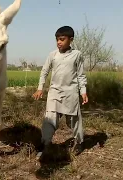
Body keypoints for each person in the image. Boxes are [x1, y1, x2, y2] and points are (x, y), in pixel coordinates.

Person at [32, 26, 88, 160]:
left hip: (71, 94)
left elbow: (80, 75)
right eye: (57, 39)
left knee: (74, 121)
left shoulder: (77, 55)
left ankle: (79, 142)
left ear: (71, 40)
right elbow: (44, 71)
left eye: (62, 39)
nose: (59, 42)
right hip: (54, 93)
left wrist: (83, 92)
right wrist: (40, 88)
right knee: (49, 119)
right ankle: (45, 143)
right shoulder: (52, 55)